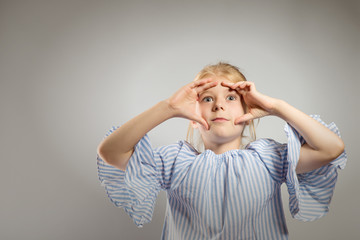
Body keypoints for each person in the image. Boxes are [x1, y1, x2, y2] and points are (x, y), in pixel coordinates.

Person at [97, 62, 346, 239]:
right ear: (193, 117)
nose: (218, 106)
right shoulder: (174, 161)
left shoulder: (269, 158)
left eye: (230, 98)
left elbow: (331, 149)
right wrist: (169, 107)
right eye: (207, 99)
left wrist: (276, 107)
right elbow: (111, 152)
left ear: (248, 113)